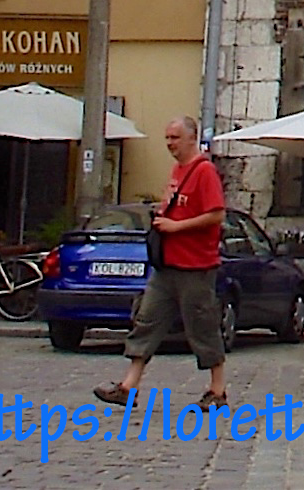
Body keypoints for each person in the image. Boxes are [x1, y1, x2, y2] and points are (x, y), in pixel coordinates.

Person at [96, 117, 227, 412]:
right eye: (167, 137)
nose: (170, 143)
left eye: (175, 137)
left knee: (202, 326)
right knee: (147, 320)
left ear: (191, 138)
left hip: (196, 267)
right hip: (167, 266)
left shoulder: (204, 171)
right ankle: (129, 386)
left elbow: (216, 214)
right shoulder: (176, 171)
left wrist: (176, 227)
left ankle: (217, 389)